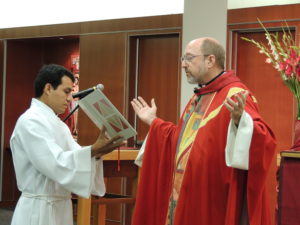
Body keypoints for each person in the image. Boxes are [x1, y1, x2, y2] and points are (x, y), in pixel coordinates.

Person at [131, 37, 276, 225]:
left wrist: (241, 122)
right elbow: (182, 142)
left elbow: (264, 139)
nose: (183, 64)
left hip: (214, 197)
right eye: (182, 59)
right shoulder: (199, 97)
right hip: (189, 192)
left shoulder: (235, 94)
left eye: (189, 58)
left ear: (210, 60)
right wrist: (153, 121)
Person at [10, 64, 123, 225]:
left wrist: (97, 153)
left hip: (61, 205)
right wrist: (92, 150)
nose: (70, 98)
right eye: (66, 91)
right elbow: (54, 163)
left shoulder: (58, 124)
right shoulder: (31, 121)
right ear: (48, 88)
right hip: (38, 208)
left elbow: (74, 156)